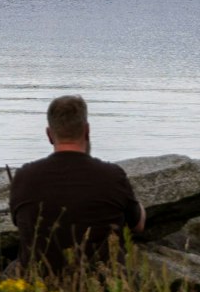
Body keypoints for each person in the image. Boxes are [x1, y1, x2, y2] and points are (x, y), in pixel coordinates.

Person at [8, 94, 145, 274]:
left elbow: (20, 223)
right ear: (87, 131)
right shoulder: (112, 175)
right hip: (102, 285)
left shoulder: (24, 176)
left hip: (40, 285)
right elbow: (138, 226)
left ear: (49, 134)